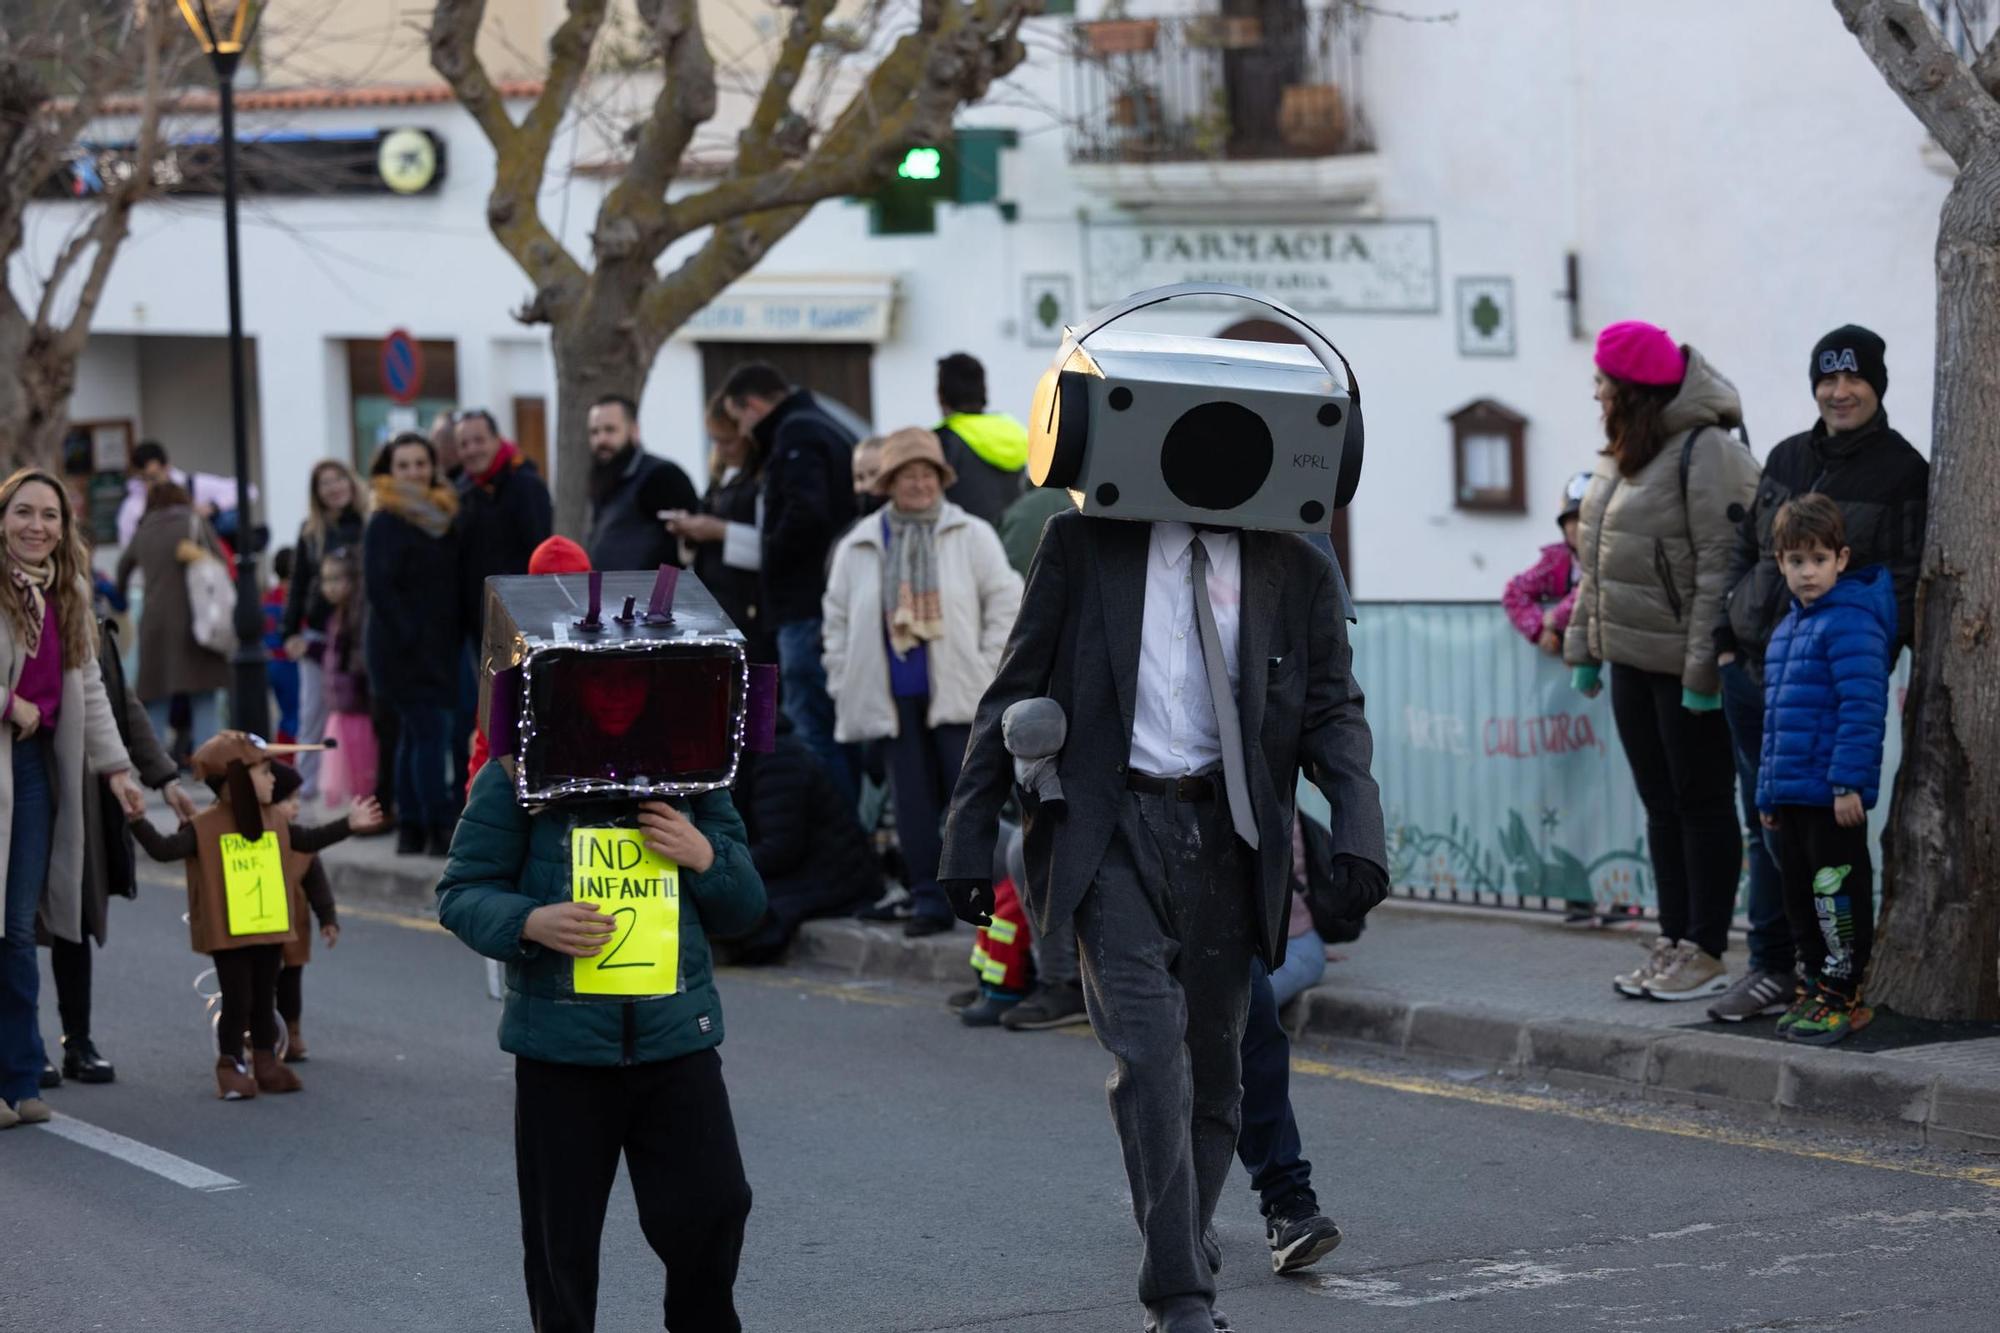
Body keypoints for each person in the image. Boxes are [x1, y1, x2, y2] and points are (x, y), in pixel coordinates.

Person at [938, 495, 1388, 1332]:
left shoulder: (1297, 560)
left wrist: (1360, 829)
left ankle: (1179, 1233)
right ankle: (1179, 1294)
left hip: (1233, 836)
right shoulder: (1081, 540)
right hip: (1110, 829)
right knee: (1150, 1058)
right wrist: (968, 832)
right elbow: (1015, 683)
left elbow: (1333, 708)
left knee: (1218, 1077)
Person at [436, 640, 768, 1332]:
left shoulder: (692, 770)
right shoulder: (517, 772)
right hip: (561, 1055)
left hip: (677, 1041)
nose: (616, 692)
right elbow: (461, 891)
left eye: (631, 679)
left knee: (715, 1206)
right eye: (600, 680)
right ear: (573, 685)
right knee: (563, 1253)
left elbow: (747, 909)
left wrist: (705, 855)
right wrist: (531, 921)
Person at [1706, 325, 1929, 1023]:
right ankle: (1774, 969)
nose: (1839, 391)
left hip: (1829, 687)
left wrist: (1866, 653)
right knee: (1766, 830)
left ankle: (1831, 979)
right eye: (1827, 380)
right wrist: (1723, 636)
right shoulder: (1786, 455)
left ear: (1876, 385)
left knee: (1824, 849)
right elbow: (1746, 550)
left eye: (1853, 379)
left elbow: (1904, 577)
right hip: (1754, 674)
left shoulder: (1903, 471)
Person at [1565, 321, 1760, 1003]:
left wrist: (1705, 675)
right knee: (1660, 805)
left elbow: (1722, 568)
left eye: (1603, 382)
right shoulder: (1626, 452)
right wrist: (1586, 649)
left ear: (1633, 391)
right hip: (1630, 660)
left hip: (1685, 671)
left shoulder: (1707, 452)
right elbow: (1597, 563)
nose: (1595, 391)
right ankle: (1675, 938)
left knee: (1701, 803)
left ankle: (1708, 948)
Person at [823, 429, 1023, 936]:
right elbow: (837, 619)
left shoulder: (971, 534)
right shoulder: (861, 543)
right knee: (910, 804)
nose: (918, 485)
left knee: (970, 800)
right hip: (889, 697)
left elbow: (1006, 604)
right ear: (889, 482)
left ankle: (985, 897)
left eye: (927, 474)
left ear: (941, 480)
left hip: (960, 693)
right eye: (907, 475)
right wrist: (843, 677)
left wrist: (986, 670)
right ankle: (929, 900)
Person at [2, 470, 149, 1129]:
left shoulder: (70, 591)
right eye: (23, 512)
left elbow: (89, 687)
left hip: (35, 772)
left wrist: (118, 770)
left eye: (50, 516)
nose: (37, 525)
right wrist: (9, 702)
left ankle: (17, 1080)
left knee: (16, 925)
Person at [130, 732, 376, 1098]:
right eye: (264, 772)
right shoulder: (206, 825)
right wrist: (137, 820)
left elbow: (307, 841)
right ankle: (230, 1065)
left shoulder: (274, 819)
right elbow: (165, 850)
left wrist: (348, 825)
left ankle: (266, 1062)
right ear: (238, 778)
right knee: (237, 999)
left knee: (265, 997)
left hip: (270, 924)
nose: (273, 779)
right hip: (229, 932)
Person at [1755, 496, 1895, 1045]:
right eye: (1795, 561)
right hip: (1791, 795)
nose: (1806, 572)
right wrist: (1767, 793)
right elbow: (1775, 722)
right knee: (1799, 898)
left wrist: (1847, 784)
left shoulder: (1852, 623)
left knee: (1836, 897)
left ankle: (1845, 994)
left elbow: (1863, 708)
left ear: (1841, 559)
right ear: (1780, 563)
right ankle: (1815, 986)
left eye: (1817, 559)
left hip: (1833, 797)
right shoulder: (1787, 632)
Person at [39, 616, 198, 1089]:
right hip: (23, 780)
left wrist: (165, 779)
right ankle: (23, 1044)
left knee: (77, 919)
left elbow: (119, 707)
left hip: (83, 792)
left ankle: (77, 1041)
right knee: (17, 921)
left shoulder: (88, 617)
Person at [721, 362, 859, 799]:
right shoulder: (820, 424)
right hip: (819, 602)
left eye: (738, 418)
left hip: (804, 606)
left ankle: (835, 834)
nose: (742, 431)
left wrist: (771, 555)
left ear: (754, 405)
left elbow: (806, 514)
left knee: (813, 728)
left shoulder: (796, 433)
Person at [364, 434, 463, 856]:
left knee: (413, 736)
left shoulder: (442, 516)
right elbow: (380, 589)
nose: (414, 472)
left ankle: (411, 827)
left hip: (438, 643)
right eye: (404, 465)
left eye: (420, 463)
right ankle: (434, 824)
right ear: (391, 471)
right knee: (427, 734)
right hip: (401, 647)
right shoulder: (385, 520)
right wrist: (411, 639)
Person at [721, 717, 879, 965]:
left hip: (830, 872)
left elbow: (781, 848)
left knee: (740, 904)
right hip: (806, 864)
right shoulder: (753, 756)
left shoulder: (779, 758)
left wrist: (719, 866)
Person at [114, 480, 232, 754]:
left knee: (155, 699)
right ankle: (207, 760)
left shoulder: (143, 530)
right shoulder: (194, 522)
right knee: (204, 697)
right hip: (197, 622)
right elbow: (221, 562)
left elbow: (122, 567)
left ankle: (154, 765)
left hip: (154, 623)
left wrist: (120, 599)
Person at [282, 460, 368, 799]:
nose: (334, 488)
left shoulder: (367, 524)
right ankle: (306, 787)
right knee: (312, 713)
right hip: (318, 632)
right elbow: (298, 582)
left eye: (338, 480)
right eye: (325, 484)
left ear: (350, 481)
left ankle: (354, 783)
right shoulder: (310, 532)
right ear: (317, 493)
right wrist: (290, 631)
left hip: (357, 631)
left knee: (356, 712)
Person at [664, 396, 770, 663]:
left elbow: (769, 546)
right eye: (715, 440)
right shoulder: (718, 481)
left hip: (748, 606)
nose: (720, 449)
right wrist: (689, 532)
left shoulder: (759, 482)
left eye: (727, 441)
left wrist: (719, 531)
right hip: (714, 600)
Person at [270, 762, 350, 1062]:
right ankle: (263, 1034)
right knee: (262, 985)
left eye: (296, 801)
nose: (293, 808)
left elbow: (317, 884)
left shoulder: (301, 841)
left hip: (293, 929)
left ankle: (292, 1032)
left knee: (290, 983)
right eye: (285, 801)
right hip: (261, 928)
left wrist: (328, 919)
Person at [585, 393, 700, 572]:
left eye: (610, 430)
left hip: (647, 597)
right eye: (595, 432)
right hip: (611, 596)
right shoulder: (606, 478)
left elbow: (688, 544)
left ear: (634, 431)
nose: (601, 440)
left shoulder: (661, 476)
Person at [933, 352, 1029, 528]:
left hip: (966, 545)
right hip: (1012, 544)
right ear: (984, 390)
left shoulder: (942, 442)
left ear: (940, 395)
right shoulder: (1013, 432)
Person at [315, 548, 376, 808]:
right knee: (346, 761)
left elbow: (355, 659)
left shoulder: (355, 616)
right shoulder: (336, 617)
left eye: (336, 579)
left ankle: (366, 807)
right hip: (341, 703)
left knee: (360, 762)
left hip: (355, 702)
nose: (330, 587)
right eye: (326, 580)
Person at [1503, 471, 1589, 656]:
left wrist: (1556, 617)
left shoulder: (1613, 561)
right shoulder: (1556, 561)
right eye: (1571, 519)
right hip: (1566, 662)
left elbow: (1592, 590)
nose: (1577, 527)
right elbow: (1514, 592)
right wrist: (1539, 629)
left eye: (1585, 519)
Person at [114, 439, 246, 548]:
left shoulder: (192, 485)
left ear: (167, 467)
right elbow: (128, 546)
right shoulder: (133, 506)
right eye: (144, 478)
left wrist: (212, 506)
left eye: (154, 476)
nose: (150, 484)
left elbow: (247, 489)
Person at [262, 548, 301, 742]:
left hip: (271, 662)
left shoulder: (268, 598)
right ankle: (290, 758)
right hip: (288, 663)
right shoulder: (292, 598)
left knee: (284, 714)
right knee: (294, 714)